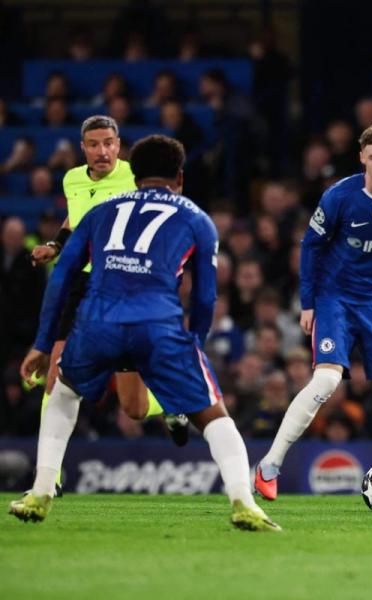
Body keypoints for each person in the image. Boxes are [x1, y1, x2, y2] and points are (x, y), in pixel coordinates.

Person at [11, 135, 279, 532]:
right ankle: (243, 502)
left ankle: (40, 492)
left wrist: (41, 343)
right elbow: (205, 295)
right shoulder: (196, 219)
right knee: (213, 416)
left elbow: (62, 276)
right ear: (180, 178)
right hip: (158, 326)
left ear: (133, 176)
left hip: (98, 324)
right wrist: (194, 344)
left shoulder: (100, 212)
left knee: (64, 394)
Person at [254, 123, 372, 504]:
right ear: (362, 158)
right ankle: (268, 467)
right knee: (325, 382)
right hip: (334, 298)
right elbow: (310, 246)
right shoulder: (340, 196)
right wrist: (308, 302)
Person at [30, 115, 188, 453]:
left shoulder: (136, 178)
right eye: (94, 144)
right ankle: (49, 475)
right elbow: (75, 217)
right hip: (82, 282)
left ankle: (172, 403)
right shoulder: (72, 179)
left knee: (135, 407)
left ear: (118, 146)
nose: (102, 151)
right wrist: (56, 245)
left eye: (108, 143)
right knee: (55, 376)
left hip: (124, 284)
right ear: (83, 148)